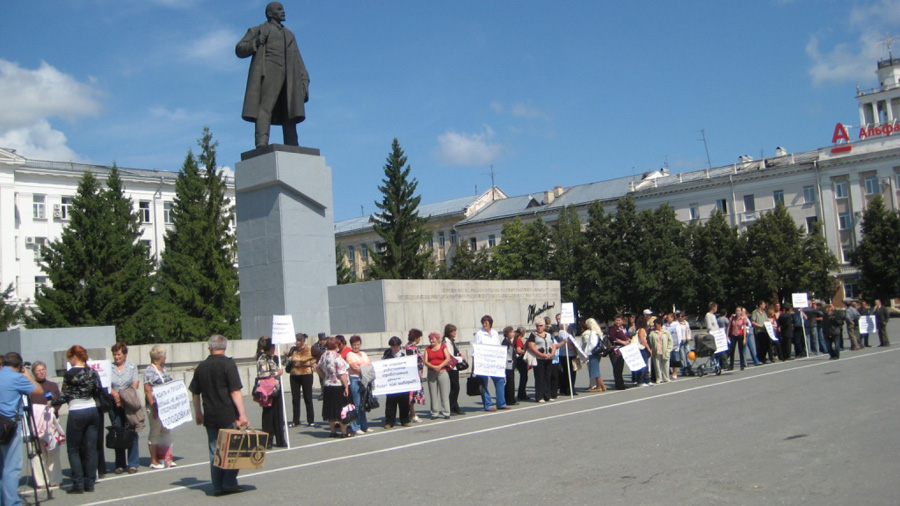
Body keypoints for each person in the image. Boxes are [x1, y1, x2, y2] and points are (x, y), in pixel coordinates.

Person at [236, 1, 310, 148]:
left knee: (290, 110)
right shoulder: (258, 30)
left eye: (283, 9)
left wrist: (304, 77)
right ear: (270, 14)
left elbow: (297, 57)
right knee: (265, 107)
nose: (283, 12)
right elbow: (240, 49)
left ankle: (292, 143)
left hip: (290, 74)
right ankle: (262, 142)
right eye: (279, 9)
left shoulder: (289, 35)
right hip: (269, 70)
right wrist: (255, 42)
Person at [189, 335, 250, 497]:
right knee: (233, 449)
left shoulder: (201, 367)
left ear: (210, 347)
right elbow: (235, 391)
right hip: (228, 414)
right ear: (225, 347)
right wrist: (242, 414)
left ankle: (217, 486)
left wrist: (198, 413)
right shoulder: (228, 364)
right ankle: (229, 482)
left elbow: (195, 393)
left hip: (210, 415)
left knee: (214, 450)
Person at [52, 345, 101, 494]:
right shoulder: (92, 372)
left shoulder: (69, 374)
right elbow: (98, 390)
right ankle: (90, 482)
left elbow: (64, 395)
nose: (70, 360)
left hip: (76, 411)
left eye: (69, 357)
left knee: (73, 449)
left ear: (74, 357)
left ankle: (78, 484)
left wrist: (51, 402)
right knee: (91, 448)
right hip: (92, 409)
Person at [1, 353, 43, 505]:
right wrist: (26, 374)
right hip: (9, 424)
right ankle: (12, 502)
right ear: (19, 366)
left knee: (1, 465)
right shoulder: (16, 377)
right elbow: (38, 390)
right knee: (11, 466)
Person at [28, 361, 62, 489]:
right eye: (38, 370)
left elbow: (58, 401)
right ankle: (41, 481)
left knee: (53, 451)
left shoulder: (52, 385)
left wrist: (53, 409)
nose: (41, 372)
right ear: (33, 373)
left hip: (51, 422)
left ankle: (55, 478)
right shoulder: (31, 387)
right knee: (38, 453)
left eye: (43, 369)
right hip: (36, 423)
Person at [108, 342, 140, 474]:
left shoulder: (132, 366)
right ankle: (120, 464)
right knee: (118, 432)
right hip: (114, 404)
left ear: (125, 354)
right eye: (115, 354)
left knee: (131, 431)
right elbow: (106, 384)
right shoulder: (109, 367)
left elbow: (135, 384)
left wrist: (124, 397)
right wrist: (115, 395)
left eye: (119, 354)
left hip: (129, 404)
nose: (116, 357)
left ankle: (133, 463)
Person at [143, 345, 176, 469]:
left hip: (165, 407)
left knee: (166, 431)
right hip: (154, 406)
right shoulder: (149, 370)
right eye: (164, 355)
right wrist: (153, 408)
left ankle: (166, 457)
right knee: (155, 431)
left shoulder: (163, 369)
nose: (166, 357)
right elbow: (147, 390)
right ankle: (154, 460)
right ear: (159, 357)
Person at [315, 337, 351, 438]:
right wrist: (346, 386)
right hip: (337, 385)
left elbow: (318, 368)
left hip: (327, 384)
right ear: (335, 345)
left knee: (330, 409)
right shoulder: (337, 356)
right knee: (341, 409)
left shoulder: (324, 355)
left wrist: (325, 377)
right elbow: (342, 373)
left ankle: (332, 431)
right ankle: (344, 432)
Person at [255, 337, 286, 448]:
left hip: (275, 388)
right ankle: (267, 440)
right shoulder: (262, 358)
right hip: (267, 389)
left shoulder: (271, 357)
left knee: (277, 414)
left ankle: (280, 439)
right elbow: (263, 374)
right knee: (268, 415)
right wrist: (277, 372)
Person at [473, 315, 508, 411]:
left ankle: (501, 403)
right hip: (483, 363)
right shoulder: (479, 334)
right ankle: (488, 405)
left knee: (500, 380)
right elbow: (475, 349)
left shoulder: (495, 333)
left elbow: (499, 347)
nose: (485, 324)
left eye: (486, 323)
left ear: (490, 323)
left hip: (495, 362)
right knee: (484, 383)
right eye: (483, 323)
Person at [285, 333, 316, 427]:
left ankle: (310, 420)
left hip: (306, 374)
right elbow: (288, 360)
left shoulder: (310, 348)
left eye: (298, 340)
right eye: (296, 340)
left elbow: (320, 354)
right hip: (294, 374)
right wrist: (286, 356)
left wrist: (313, 362)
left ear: (303, 341)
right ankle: (295, 420)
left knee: (307, 397)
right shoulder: (293, 349)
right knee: (295, 398)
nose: (296, 342)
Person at [527, 319, 559, 402]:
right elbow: (531, 346)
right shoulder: (533, 335)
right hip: (539, 359)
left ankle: (547, 395)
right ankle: (539, 396)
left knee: (547, 377)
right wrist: (541, 354)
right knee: (539, 377)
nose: (539, 327)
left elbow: (553, 345)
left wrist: (552, 354)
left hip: (548, 358)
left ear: (544, 326)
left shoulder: (548, 335)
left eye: (541, 326)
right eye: (537, 326)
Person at [346, 335, 373, 435]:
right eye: (354, 345)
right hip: (355, 379)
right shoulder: (349, 355)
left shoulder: (363, 354)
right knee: (356, 404)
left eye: (357, 344)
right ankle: (356, 427)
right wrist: (365, 368)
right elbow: (354, 368)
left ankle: (364, 426)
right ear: (351, 345)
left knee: (363, 404)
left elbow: (370, 365)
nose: (356, 346)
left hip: (364, 379)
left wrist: (364, 369)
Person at [382, 337, 411, 428]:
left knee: (404, 402)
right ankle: (389, 422)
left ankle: (404, 420)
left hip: (403, 381)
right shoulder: (387, 353)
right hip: (392, 382)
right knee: (390, 403)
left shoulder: (406, 353)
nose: (394, 348)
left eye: (396, 346)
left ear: (399, 345)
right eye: (393, 346)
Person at [424, 332, 452, 419]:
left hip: (442, 372)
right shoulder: (427, 349)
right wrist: (433, 366)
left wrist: (440, 366)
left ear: (437, 339)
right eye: (430, 339)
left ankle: (446, 412)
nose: (431, 341)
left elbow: (448, 358)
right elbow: (425, 361)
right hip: (431, 372)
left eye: (433, 339)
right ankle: (434, 412)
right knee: (433, 394)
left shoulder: (443, 346)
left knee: (444, 393)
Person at [441, 324, 465, 415]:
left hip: (454, 366)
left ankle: (455, 407)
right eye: (453, 331)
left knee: (455, 387)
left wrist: (459, 354)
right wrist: (460, 358)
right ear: (449, 332)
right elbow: (450, 356)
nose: (455, 332)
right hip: (451, 367)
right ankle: (450, 407)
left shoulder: (451, 341)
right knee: (455, 388)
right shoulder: (446, 342)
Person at [404, 330, 426, 422]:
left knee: (413, 395)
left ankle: (412, 413)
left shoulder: (413, 347)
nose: (419, 339)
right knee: (411, 395)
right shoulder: (410, 348)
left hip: (417, 374)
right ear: (416, 337)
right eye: (419, 337)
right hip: (412, 375)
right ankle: (412, 414)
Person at [582, 318, 607, 392]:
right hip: (598, 352)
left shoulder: (593, 332)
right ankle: (602, 386)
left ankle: (600, 386)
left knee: (595, 371)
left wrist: (587, 351)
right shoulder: (598, 331)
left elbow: (592, 343)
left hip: (593, 352)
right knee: (596, 370)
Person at [608, 315, 632, 390]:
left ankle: (621, 383)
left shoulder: (623, 328)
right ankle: (618, 384)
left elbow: (626, 335)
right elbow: (612, 337)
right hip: (616, 350)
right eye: (617, 320)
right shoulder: (613, 328)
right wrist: (622, 342)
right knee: (617, 367)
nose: (618, 322)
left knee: (621, 367)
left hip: (623, 350)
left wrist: (628, 340)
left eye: (619, 320)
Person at [648, 319, 673, 384]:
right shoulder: (652, 333)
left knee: (666, 365)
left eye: (656, 324)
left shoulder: (666, 332)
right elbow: (650, 342)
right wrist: (651, 349)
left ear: (660, 324)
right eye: (655, 324)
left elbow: (670, 341)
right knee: (657, 366)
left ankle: (666, 377)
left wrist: (668, 349)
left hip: (665, 350)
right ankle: (659, 378)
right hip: (656, 351)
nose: (655, 326)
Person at [631, 318, 652, 386]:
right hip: (641, 349)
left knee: (645, 365)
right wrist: (648, 348)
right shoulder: (641, 330)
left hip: (641, 349)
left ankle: (647, 380)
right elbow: (642, 340)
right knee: (643, 365)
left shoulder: (639, 330)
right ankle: (640, 381)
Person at [500, 327, 517, 405]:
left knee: (510, 382)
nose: (513, 334)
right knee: (510, 382)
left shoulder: (509, 341)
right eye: (511, 332)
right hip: (508, 364)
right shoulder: (506, 342)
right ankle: (510, 399)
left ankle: (510, 398)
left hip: (510, 364)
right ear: (507, 333)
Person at [513, 326, 530, 401]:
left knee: (523, 377)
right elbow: (518, 350)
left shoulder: (515, 339)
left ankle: (522, 393)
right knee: (524, 377)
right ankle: (522, 393)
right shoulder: (518, 340)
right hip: (520, 360)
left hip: (518, 360)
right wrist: (526, 351)